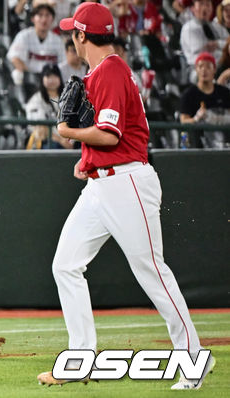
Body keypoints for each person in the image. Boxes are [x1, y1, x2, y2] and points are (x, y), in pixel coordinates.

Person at [36, 3, 214, 389]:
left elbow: (111, 135)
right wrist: (87, 161)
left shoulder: (111, 70)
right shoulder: (102, 72)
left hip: (129, 183)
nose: (71, 37)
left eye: (73, 32)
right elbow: (106, 138)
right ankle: (81, 358)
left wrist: (71, 134)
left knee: (152, 272)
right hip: (102, 184)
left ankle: (192, 361)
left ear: (82, 35)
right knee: (65, 264)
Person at [179, 52, 230, 147]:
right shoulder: (188, 94)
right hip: (198, 140)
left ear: (214, 70)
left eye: (208, 67)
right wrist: (196, 119)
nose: (204, 70)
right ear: (196, 70)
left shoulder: (224, 93)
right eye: (200, 66)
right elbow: (183, 121)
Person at [6, 4, 65, 85]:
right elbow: (14, 58)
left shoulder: (57, 40)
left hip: (50, 80)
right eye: (40, 15)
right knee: (17, 74)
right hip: (28, 79)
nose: (44, 19)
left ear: (52, 19)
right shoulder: (24, 35)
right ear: (33, 18)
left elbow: (63, 63)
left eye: (47, 15)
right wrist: (31, 75)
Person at [24, 64, 73, 149]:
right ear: (42, 79)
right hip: (48, 141)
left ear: (60, 78)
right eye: (48, 76)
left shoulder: (69, 98)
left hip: (71, 140)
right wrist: (61, 141)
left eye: (55, 76)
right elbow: (41, 128)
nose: (52, 80)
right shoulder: (36, 99)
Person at [180, 0, 229, 77]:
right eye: (201, 4)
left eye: (208, 4)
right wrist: (222, 45)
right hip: (198, 70)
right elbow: (202, 49)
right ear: (192, 8)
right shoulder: (189, 28)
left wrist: (218, 44)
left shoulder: (216, 26)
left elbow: (228, 43)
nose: (205, 7)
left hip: (221, 66)